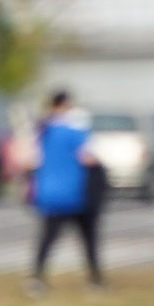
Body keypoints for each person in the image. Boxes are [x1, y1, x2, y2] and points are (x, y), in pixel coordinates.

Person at [26, 88, 105, 294]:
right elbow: (88, 158)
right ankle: (95, 281)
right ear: (65, 105)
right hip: (76, 193)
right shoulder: (76, 132)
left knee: (47, 239)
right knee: (88, 240)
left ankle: (36, 280)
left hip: (50, 193)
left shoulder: (42, 131)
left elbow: (30, 160)